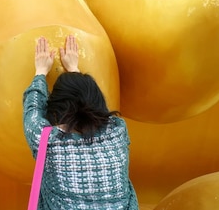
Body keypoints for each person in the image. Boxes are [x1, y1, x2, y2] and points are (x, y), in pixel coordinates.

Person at [23, 35, 139, 209]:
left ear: (55, 106)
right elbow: (99, 112)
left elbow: (32, 112)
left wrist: (40, 72)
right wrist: (75, 71)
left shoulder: (47, 141)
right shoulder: (117, 132)